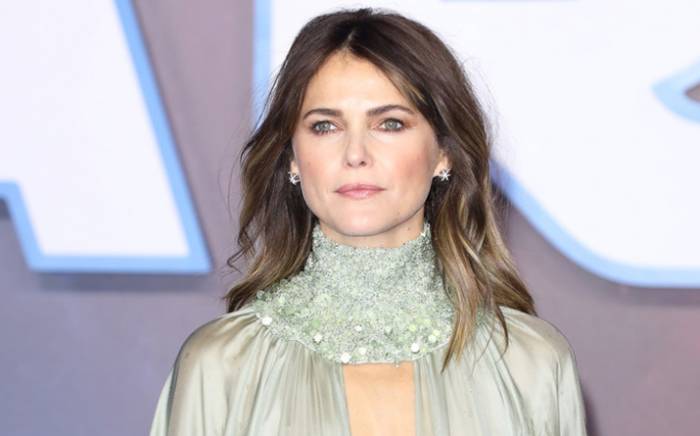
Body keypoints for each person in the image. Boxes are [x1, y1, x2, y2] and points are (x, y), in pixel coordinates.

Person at [149, 7, 588, 436]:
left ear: (444, 153)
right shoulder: (220, 365)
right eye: (325, 126)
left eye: (390, 124)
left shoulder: (531, 364)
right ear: (292, 158)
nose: (355, 154)